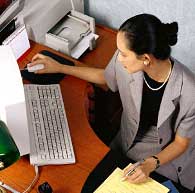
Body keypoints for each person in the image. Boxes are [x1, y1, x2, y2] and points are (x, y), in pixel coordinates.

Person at [29, 13, 195, 190]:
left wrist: (150, 163)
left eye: (123, 54)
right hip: (126, 141)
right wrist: (60, 67)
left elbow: (181, 143)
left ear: (146, 58)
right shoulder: (126, 62)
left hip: (164, 159)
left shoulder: (190, 91)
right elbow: (106, 77)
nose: (118, 57)